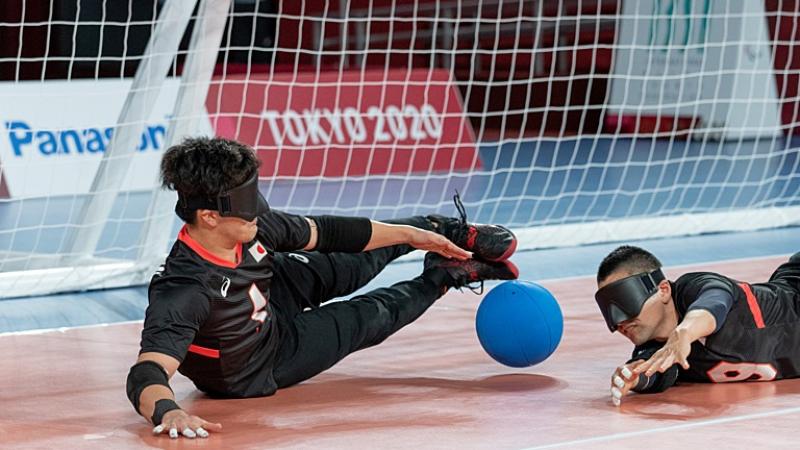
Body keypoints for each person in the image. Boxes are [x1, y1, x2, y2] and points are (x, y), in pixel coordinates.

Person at [126, 137, 519, 439]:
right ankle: (443, 276)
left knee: (349, 264)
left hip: (269, 292)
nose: (257, 209)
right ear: (209, 217)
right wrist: (168, 411)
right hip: (257, 364)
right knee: (364, 318)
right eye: (245, 203)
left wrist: (412, 234)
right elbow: (148, 371)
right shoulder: (184, 289)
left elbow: (330, 231)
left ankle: (439, 229)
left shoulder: (251, 228)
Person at [593, 245, 800, 406]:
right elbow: (655, 373)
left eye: (626, 303)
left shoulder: (695, 288)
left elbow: (715, 302)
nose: (619, 322)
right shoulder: (658, 352)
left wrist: (684, 332)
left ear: (663, 290)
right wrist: (634, 378)